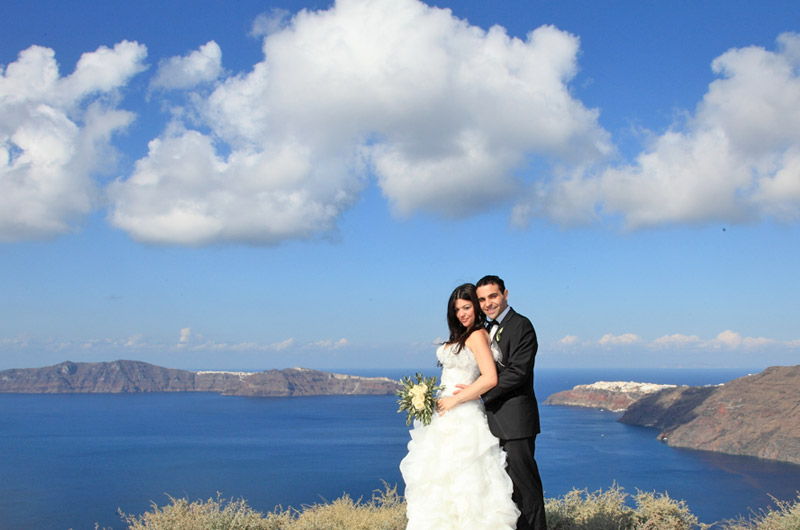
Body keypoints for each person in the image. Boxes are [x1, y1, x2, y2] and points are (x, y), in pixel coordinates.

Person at [399, 283, 520, 529]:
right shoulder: (461, 337)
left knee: (466, 483)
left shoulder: (476, 335)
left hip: (464, 418)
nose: (462, 313)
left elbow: (489, 377)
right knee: (439, 483)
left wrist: (455, 399)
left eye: (466, 307)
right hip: (444, 416)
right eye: (457, 310)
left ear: (476, 307)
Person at [471, 274, 547, 530]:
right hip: (491, 424)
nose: (488, 303)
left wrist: (479, 394)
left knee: (526, 490)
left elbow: (518, 372)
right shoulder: (484, 329)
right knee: (504, 491)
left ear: (505, 294)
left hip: (516, 423)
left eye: (493, 296)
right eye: (482, 299)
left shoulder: (522, 325)